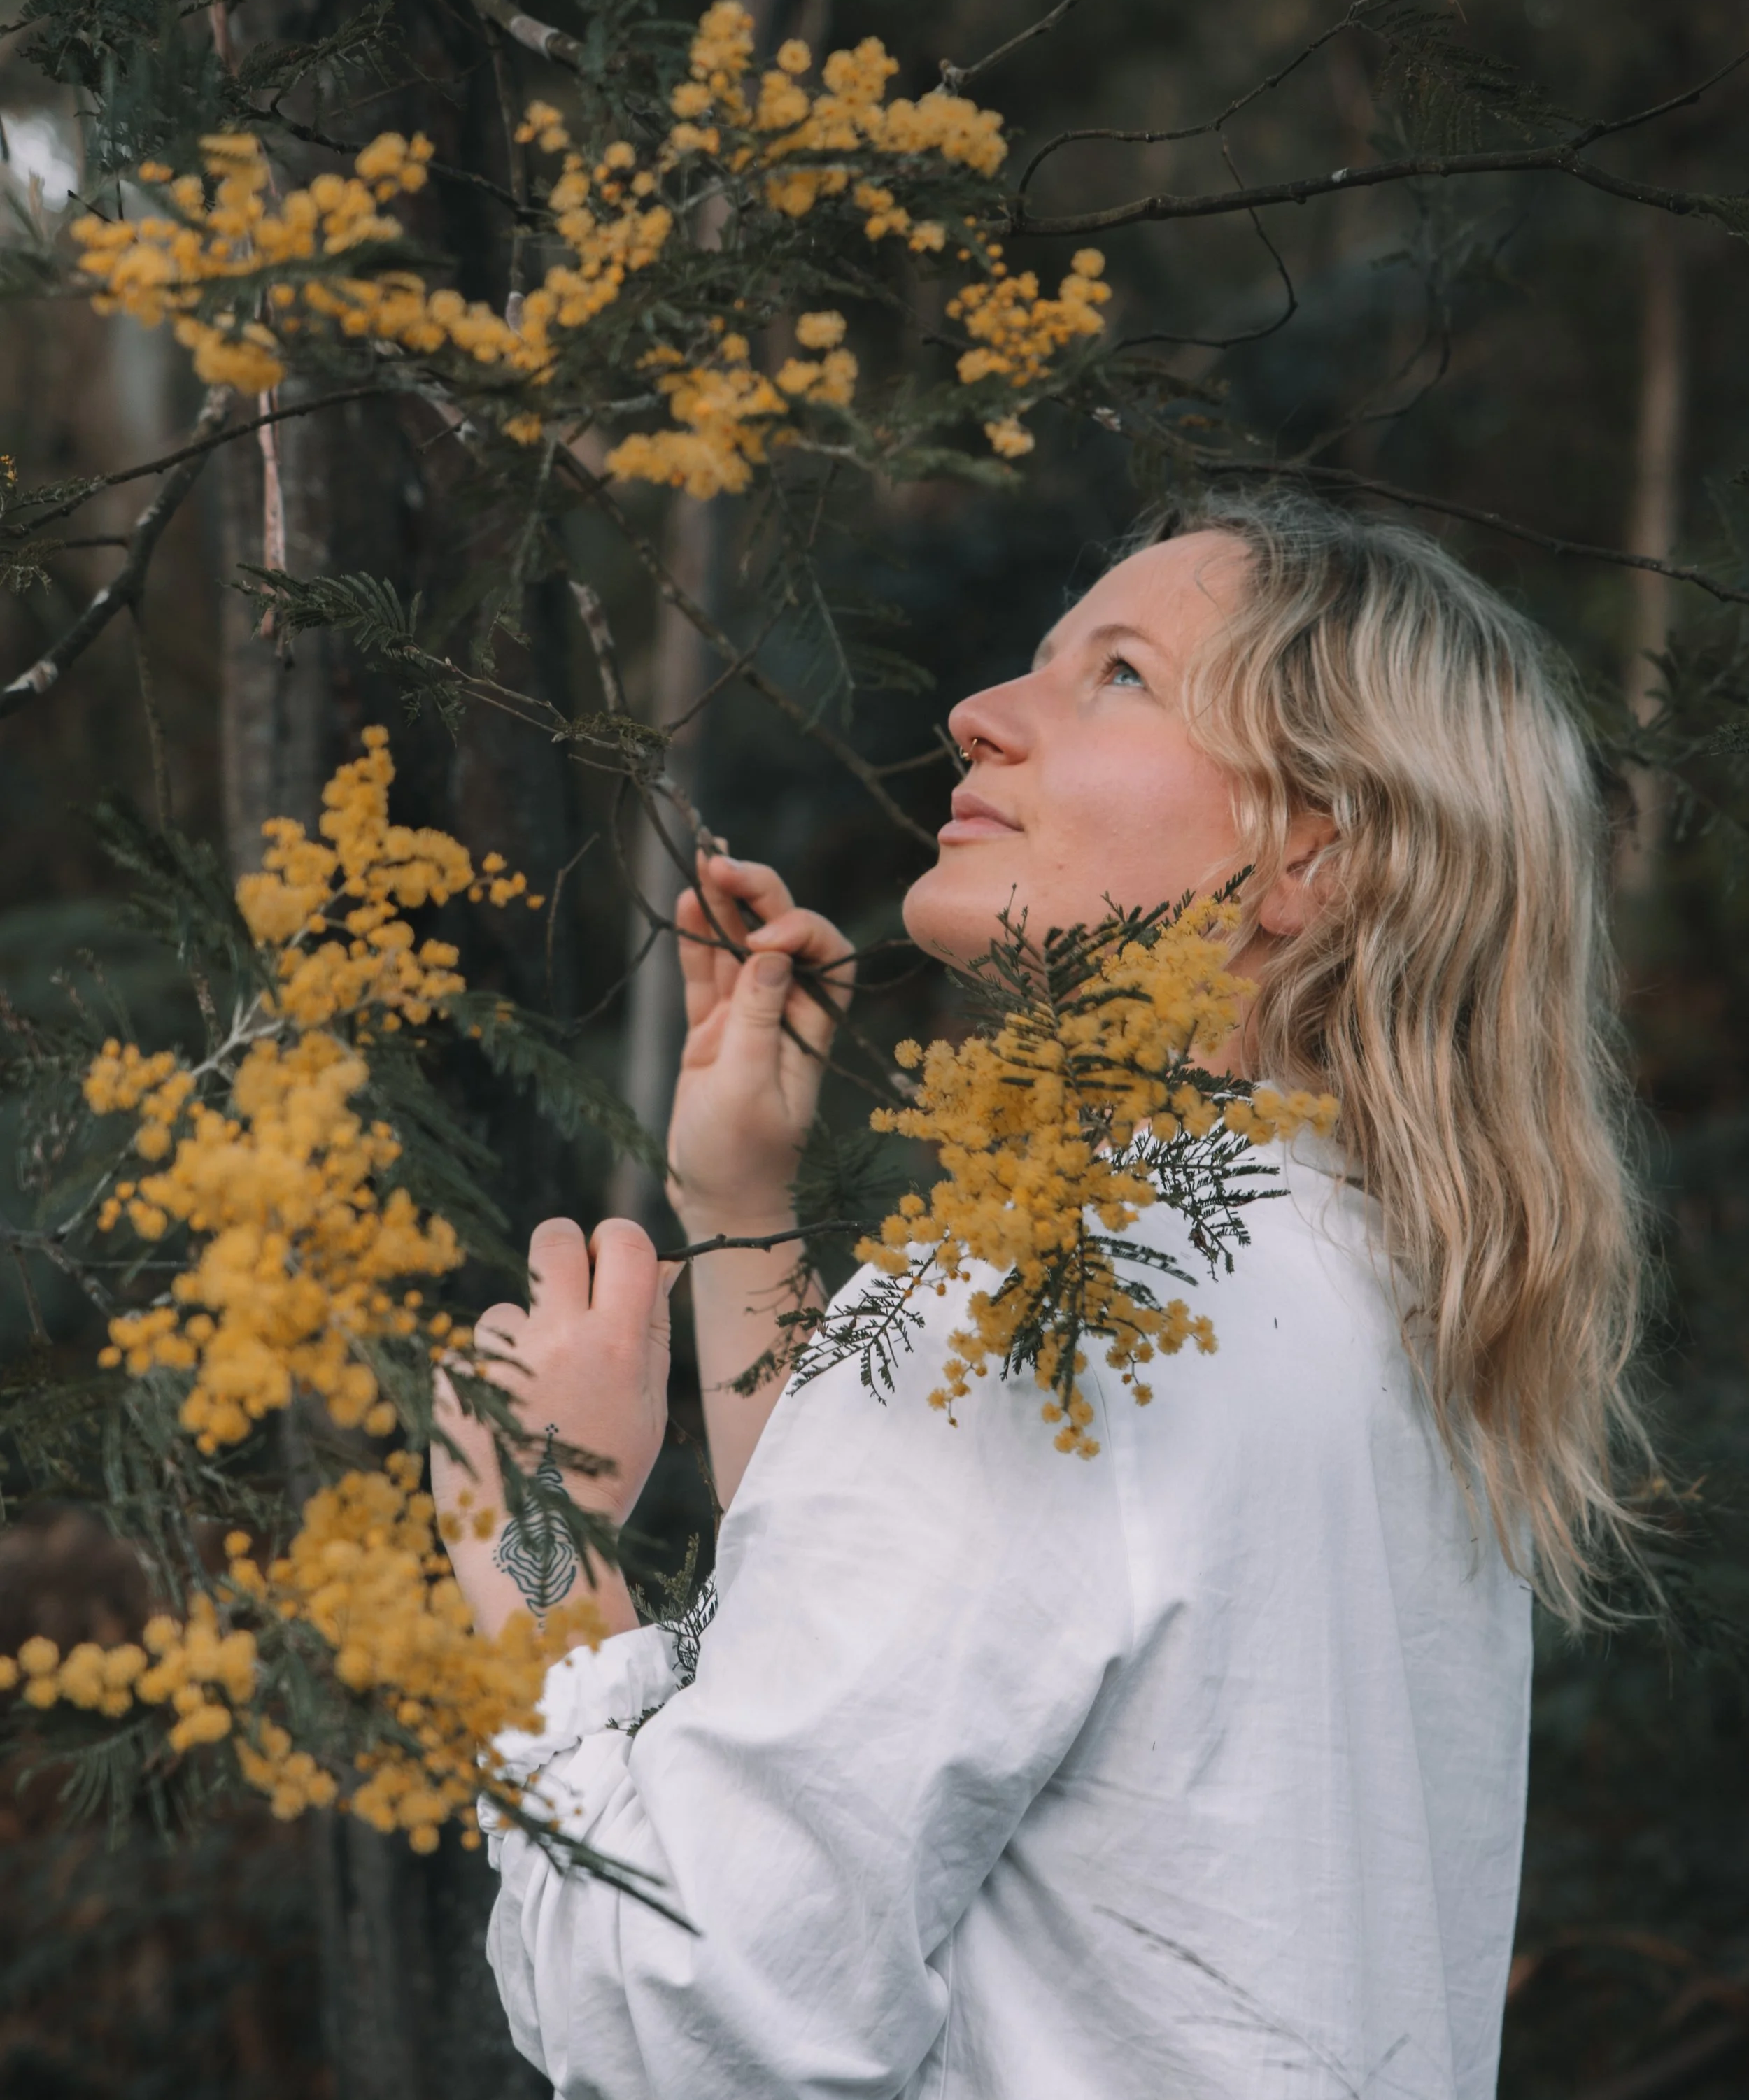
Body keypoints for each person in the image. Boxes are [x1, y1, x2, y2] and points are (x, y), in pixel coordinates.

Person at [434, 490, 1648, 2100]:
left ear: (1307, 853)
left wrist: (541, 1550)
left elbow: (686, 2003)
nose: (978, 714)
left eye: (1120, 674)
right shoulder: (1384, 1301)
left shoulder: (1040, 1289)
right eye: (1033, 662)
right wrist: (739, 1217)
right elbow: (918, 1645)